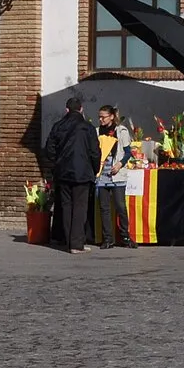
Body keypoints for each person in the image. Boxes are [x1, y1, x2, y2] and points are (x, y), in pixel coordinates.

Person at [43, 96, 101, 252]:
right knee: (80, 207)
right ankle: (76, 244)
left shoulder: (58, 126)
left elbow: (49, 149)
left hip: (63, 173)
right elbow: (95, 152)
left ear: (66, 110)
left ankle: (69, 242)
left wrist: (57, 163)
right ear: (81, 109)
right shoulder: (87, 127)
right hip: (83, 172)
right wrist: (95, 169)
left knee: (66, 206)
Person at [95, 105, 135, 249]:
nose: (101, 119)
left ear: (111, 116)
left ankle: (125, 236)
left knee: (120, 206)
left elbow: (128, 152)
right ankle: (108, 238)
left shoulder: (121, 131)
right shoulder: (97, 131)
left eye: (103, 117)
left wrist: (119, 164)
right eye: (99, 117)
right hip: (102, 172)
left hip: (117, 171)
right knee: (104, 207)